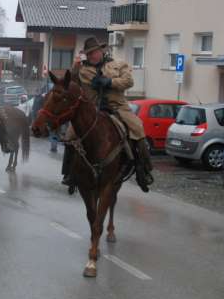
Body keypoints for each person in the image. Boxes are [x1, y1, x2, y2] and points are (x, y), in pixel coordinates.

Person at [61, 37, 154, 193]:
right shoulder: (82, 70)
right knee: (70, 134)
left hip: (117, 107)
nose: (92, 56)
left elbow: (129, 81)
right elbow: (72, 84)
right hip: (93, 109)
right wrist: (74, 68)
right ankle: (69, 174)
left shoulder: (118, 64)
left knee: (138, 128)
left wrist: (109, 82)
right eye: (89, 54)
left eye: (94, 52)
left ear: (101, 51)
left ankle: (143, 170)